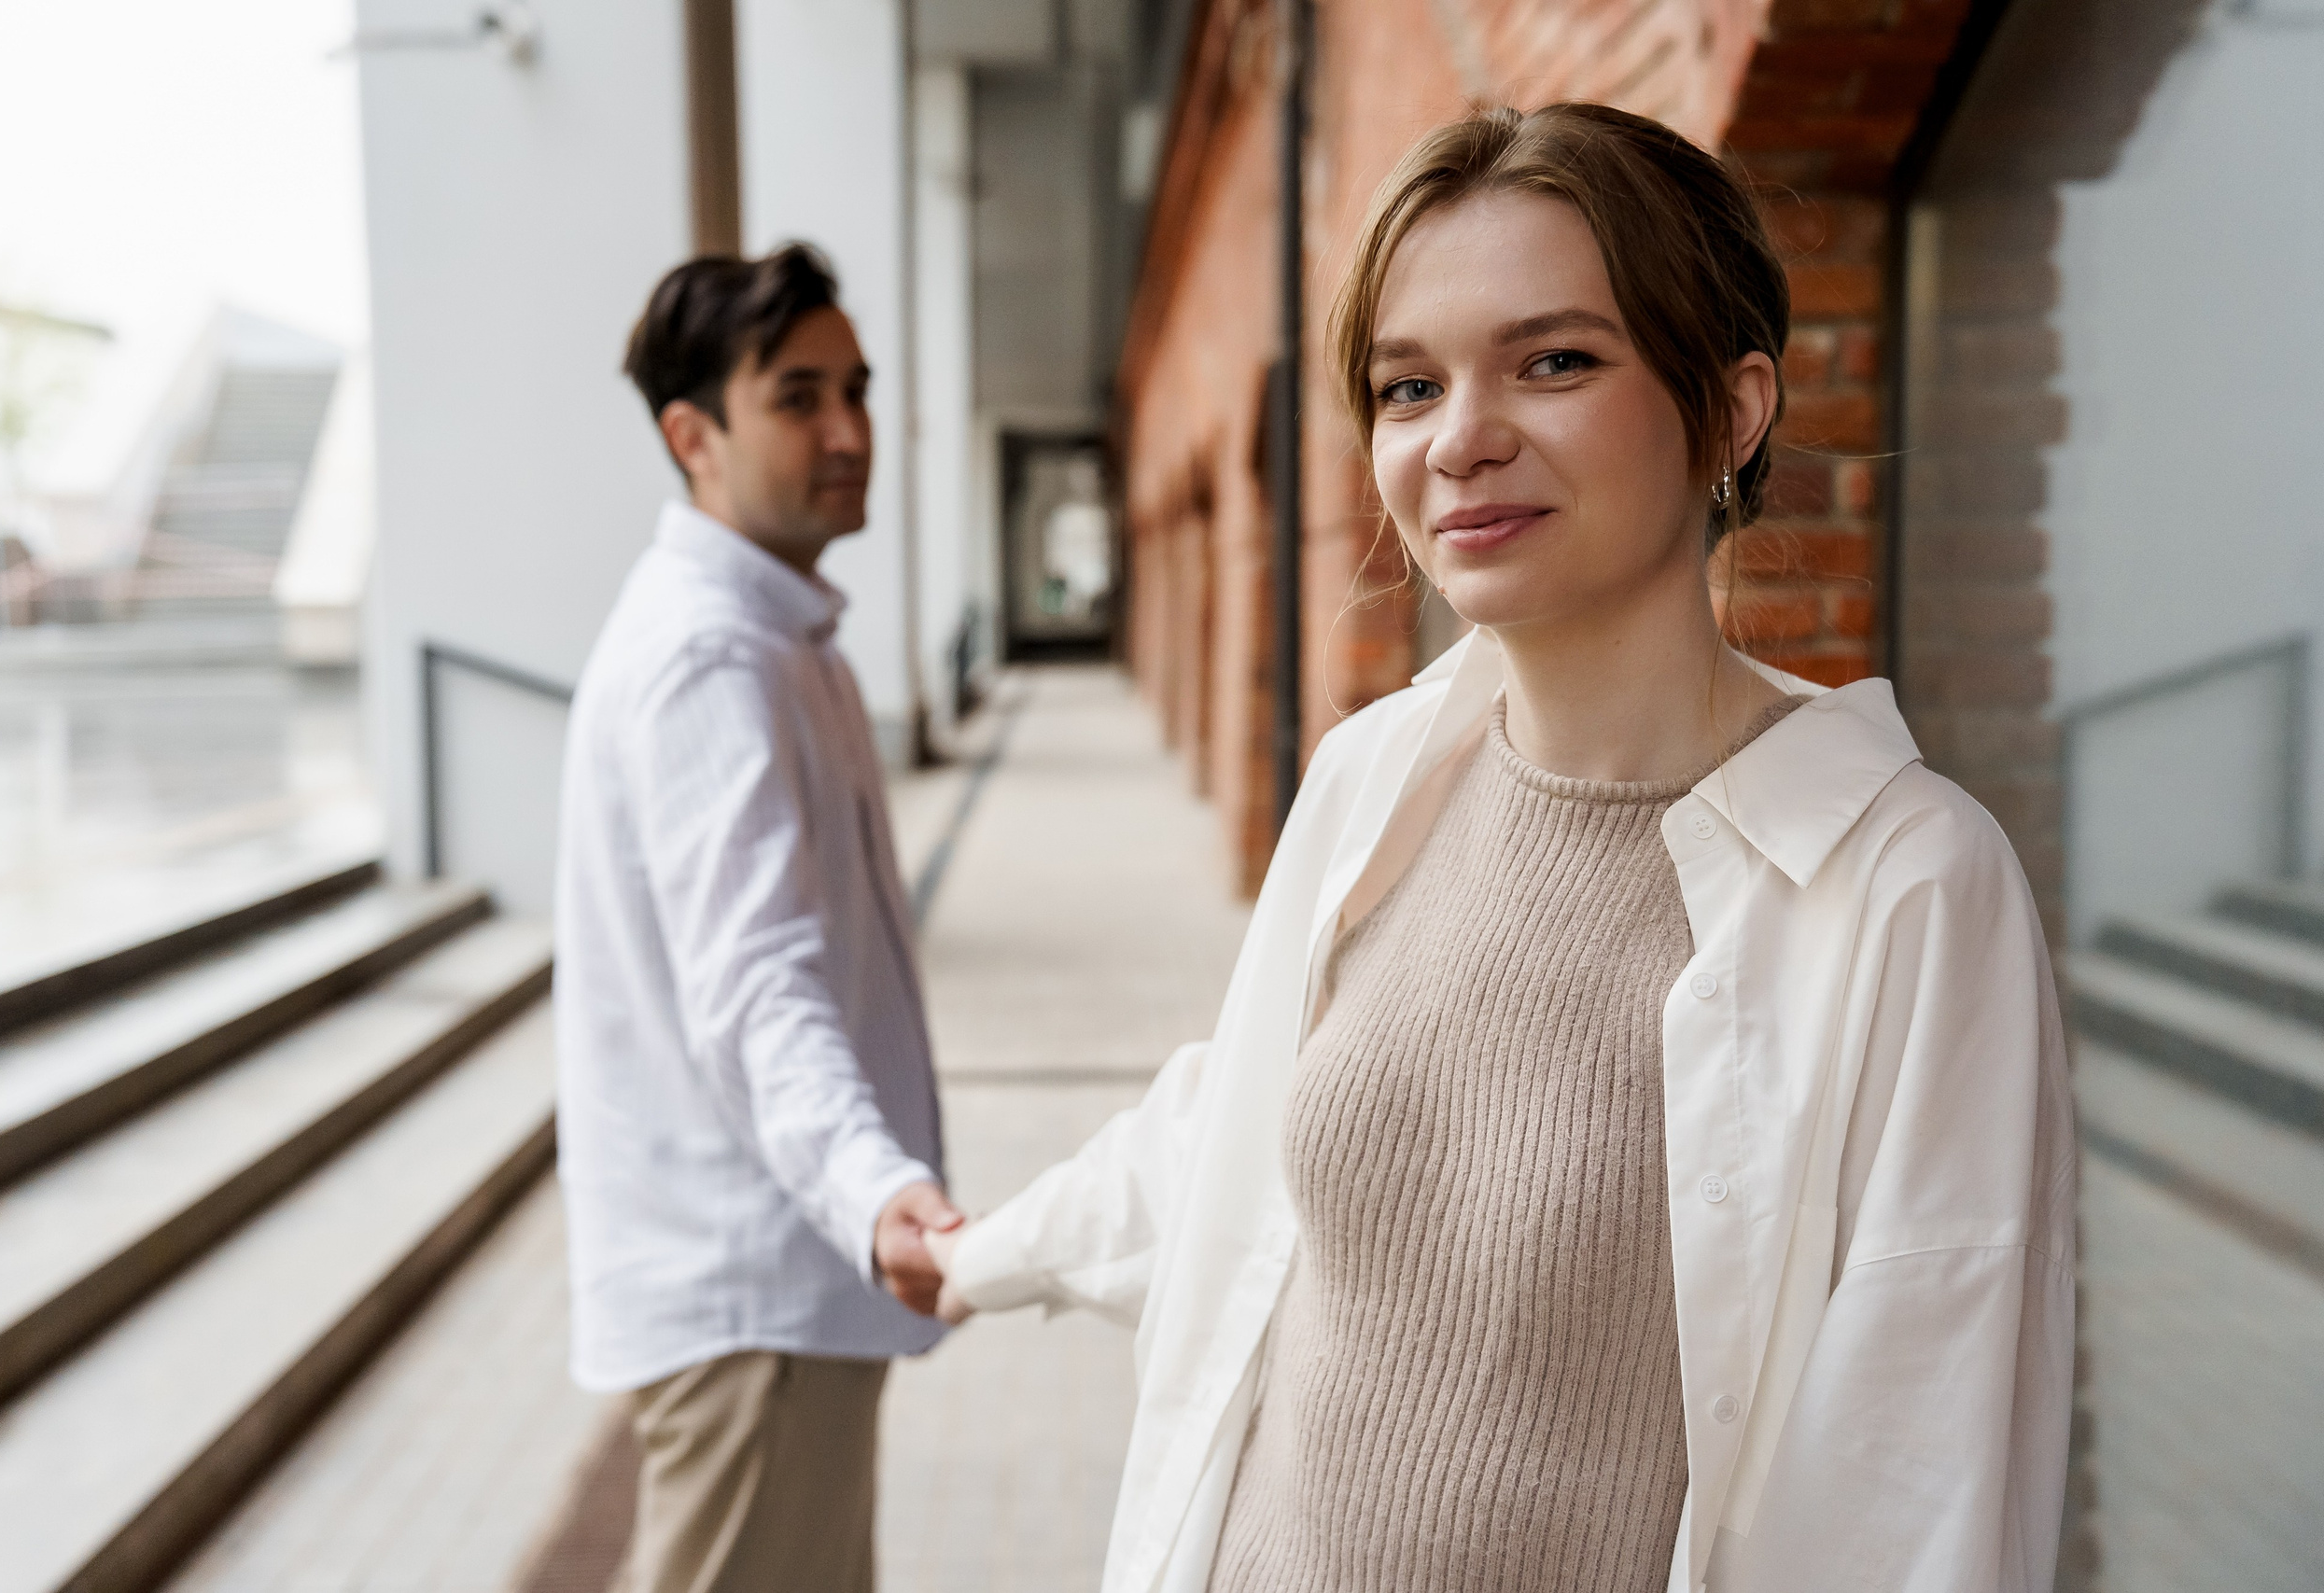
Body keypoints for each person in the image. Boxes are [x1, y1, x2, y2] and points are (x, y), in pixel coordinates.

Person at [926, 104, 2076, 1593]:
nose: (1462, 440)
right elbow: (1230, 1134)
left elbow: (1915, 1479)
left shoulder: (1907, 884)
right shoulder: (1375, 778)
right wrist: (973, 1255)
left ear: (1732, 411)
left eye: (1556, 361)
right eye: (1410, 385)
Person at [554, 245, 960, 1593]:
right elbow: (755, 987)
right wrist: (877, 1189)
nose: (849, 433)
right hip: (759, 1303)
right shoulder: (709, 659)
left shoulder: (775, 637)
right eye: (798, 398)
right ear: (694, 435)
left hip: (788, 1290)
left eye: (856, 390)